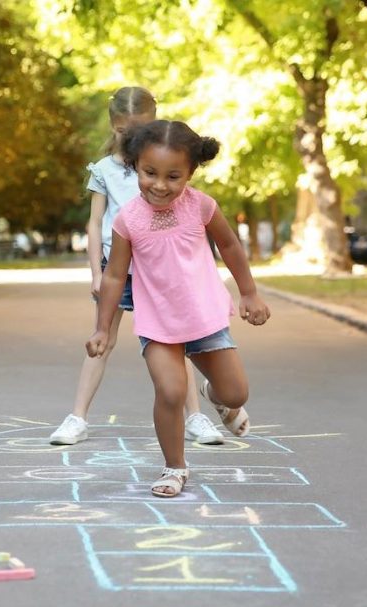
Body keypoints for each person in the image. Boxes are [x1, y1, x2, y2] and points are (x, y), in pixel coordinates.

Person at [86, 119, 271, 498]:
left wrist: (249, 293)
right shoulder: (128, 220)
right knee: (170, 392)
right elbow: (114, 275)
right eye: (149, 173)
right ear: (136, 165)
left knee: (236, 394)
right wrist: (103, 328)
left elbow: (231, 246)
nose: (159, 185)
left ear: (190, 173)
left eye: (173, 176)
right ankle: (174, 467)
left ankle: (216, 397)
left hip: (204, 318)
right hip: (158, 323)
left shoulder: (201, 206)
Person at [50, 86, 225, 447]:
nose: (130, 140)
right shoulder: (103, 170)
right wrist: (97, 274)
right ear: (113, 126)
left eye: (139, 131)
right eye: (123, 132)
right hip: (119, 267)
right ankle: (77, 417)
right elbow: (95, 223)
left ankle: (195, 417)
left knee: (178, 342)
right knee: (102, 338)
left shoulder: (162, 164)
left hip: (161, 268)